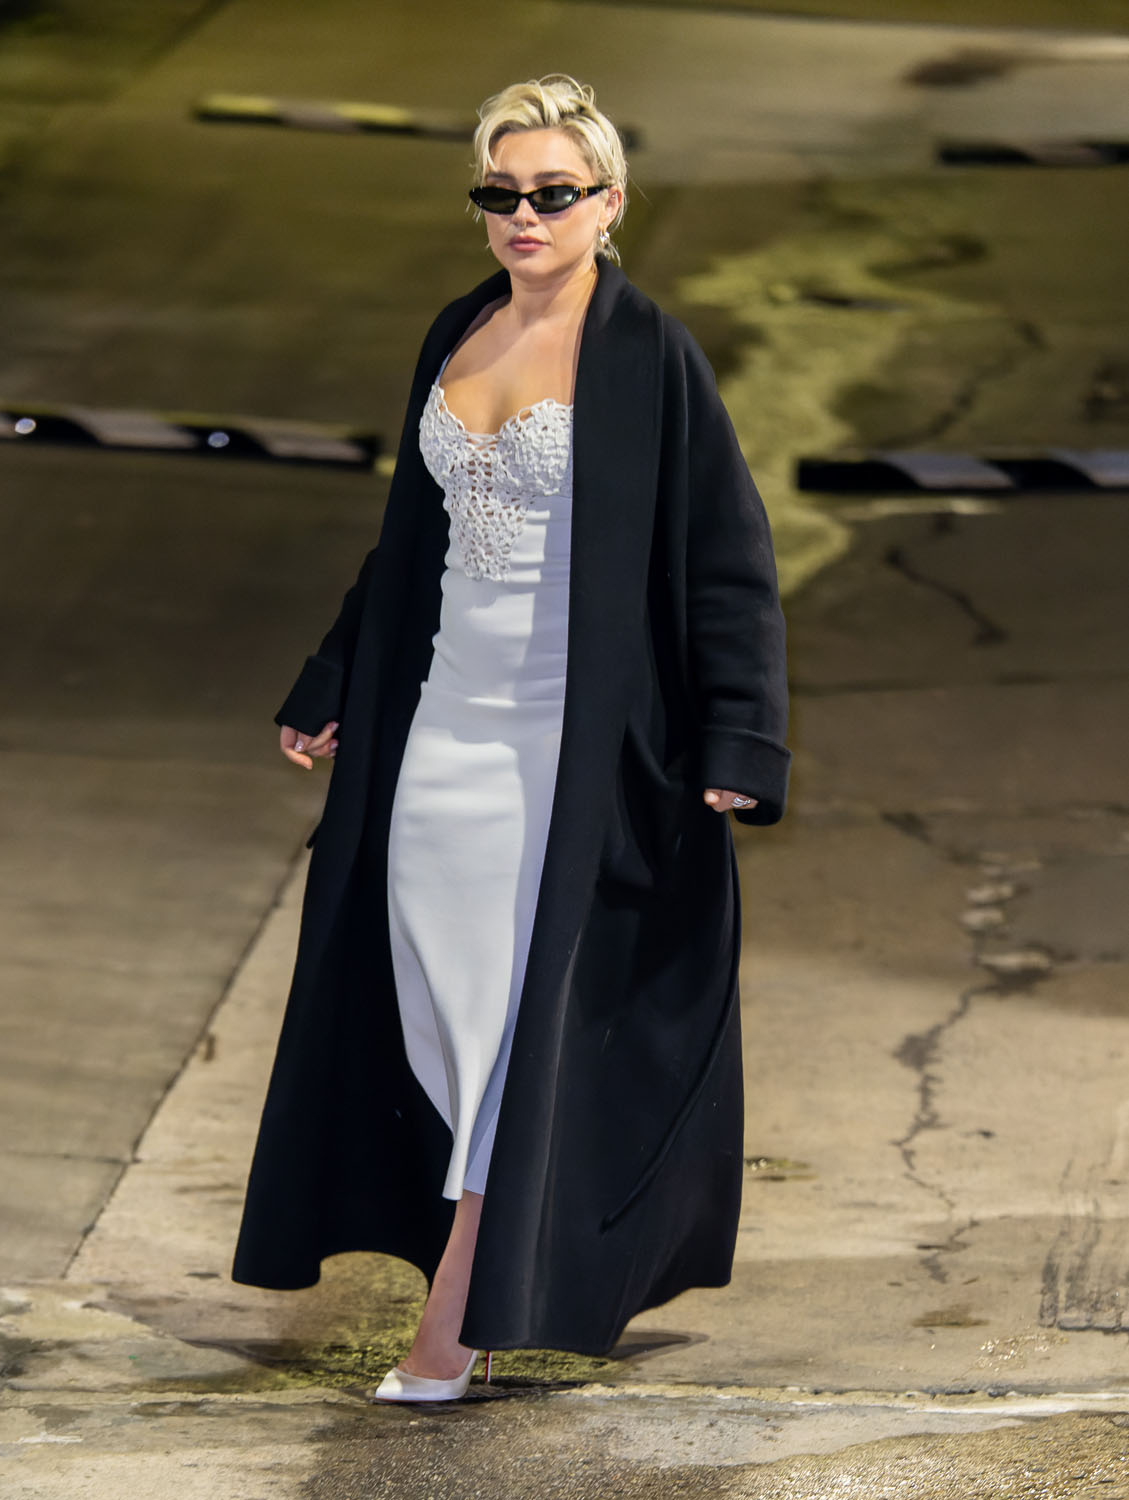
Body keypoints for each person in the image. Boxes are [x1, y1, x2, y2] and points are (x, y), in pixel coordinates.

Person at [232, 73, 791, 1404]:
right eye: (499, 192)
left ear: (608, 203)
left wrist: (740, 737)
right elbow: (407, 546)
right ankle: (494, 1267)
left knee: (510, 1029)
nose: (522, 215)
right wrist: (333, 677)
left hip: (567, 749)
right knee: (434, 1009)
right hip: (437, 735)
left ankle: (458, 1318)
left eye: (551, 193)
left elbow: (725, 552)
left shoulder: (647, 353)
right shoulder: (458, 330)